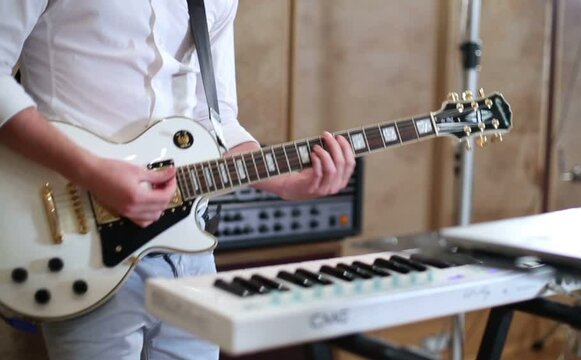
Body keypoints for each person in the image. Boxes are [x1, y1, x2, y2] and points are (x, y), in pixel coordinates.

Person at [0, 1, 355, 359]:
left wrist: (285, 182)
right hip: (82, 244)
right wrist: (91, 171)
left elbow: (215, 120)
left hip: (190, 251)